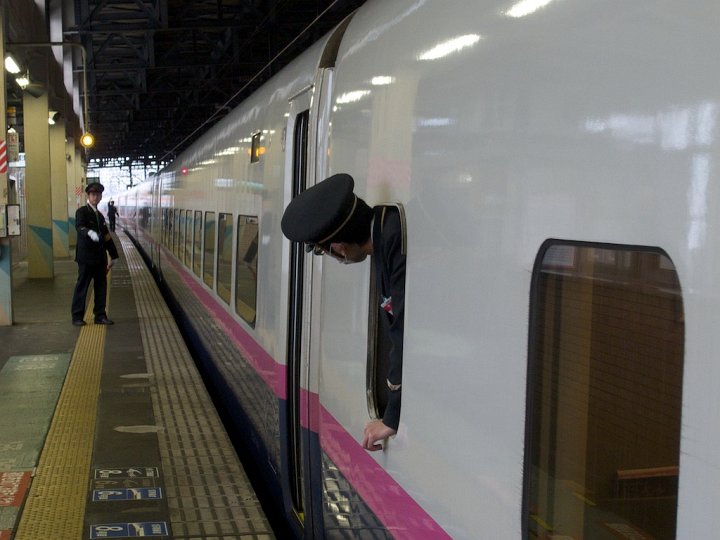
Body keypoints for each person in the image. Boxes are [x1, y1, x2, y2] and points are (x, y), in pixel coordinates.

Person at [281, 173, 406, 451]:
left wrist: (392, 416)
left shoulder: (394, 241)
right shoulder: (386, 229)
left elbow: (404, 330)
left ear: (339, 248)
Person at [71, 182, 119, 326]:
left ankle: (100, 315)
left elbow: (106, 237)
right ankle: (77, 316)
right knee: (82, 286)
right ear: (88, 196)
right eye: (93, 194)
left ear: (100, 196)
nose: (95, 197)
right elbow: (79, 227)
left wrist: (114, 255)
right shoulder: (82, 212)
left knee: (101, 287)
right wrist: (89, 232)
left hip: (100, 259)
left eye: (98, 195)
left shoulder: (100, 216)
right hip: (86, 258)